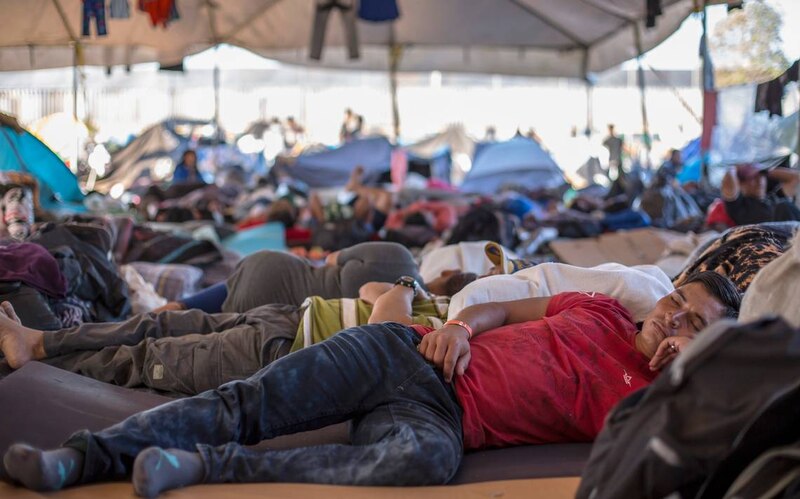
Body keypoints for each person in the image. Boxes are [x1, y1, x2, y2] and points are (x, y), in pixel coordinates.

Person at [2, 271, 740, 495]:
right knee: (249, 399)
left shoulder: (653, 401)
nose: (670, 320)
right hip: (405, 353)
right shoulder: (602, 307)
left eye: (691, 325)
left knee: (421, 461)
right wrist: (457, 324)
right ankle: (83, 454)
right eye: (676, 303)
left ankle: (202, 466)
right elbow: (497, 303)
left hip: (444, 419)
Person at [0, 272, 476, 395]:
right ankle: (39, 342)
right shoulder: (441, 305)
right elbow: (370, 288)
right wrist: (407, 288)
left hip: (283, 350)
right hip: (284, 316)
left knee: (150, 358)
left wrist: (404, 290)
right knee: (155, 322)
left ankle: (37, 365)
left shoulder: (452, 332)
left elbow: (383, 329)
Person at [157, 241, 426, 315]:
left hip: (276, 269)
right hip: (281, 313)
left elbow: (332, 258)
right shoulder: (411, 304)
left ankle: (166, 310)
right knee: (201, 325)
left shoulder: (398, 254)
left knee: (197, 302)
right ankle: (168, 316)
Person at [721, 163, 800, 226]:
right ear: (742, 185)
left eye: (762, 177)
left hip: (794, 237)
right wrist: (734, 168)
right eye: (753, 178)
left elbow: (796, 178)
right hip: (769, 241)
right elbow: (729, 188)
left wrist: (766, 170)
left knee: (784, 205)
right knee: (783, 206)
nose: (759, 181)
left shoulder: (775, 197)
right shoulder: (739, 206)